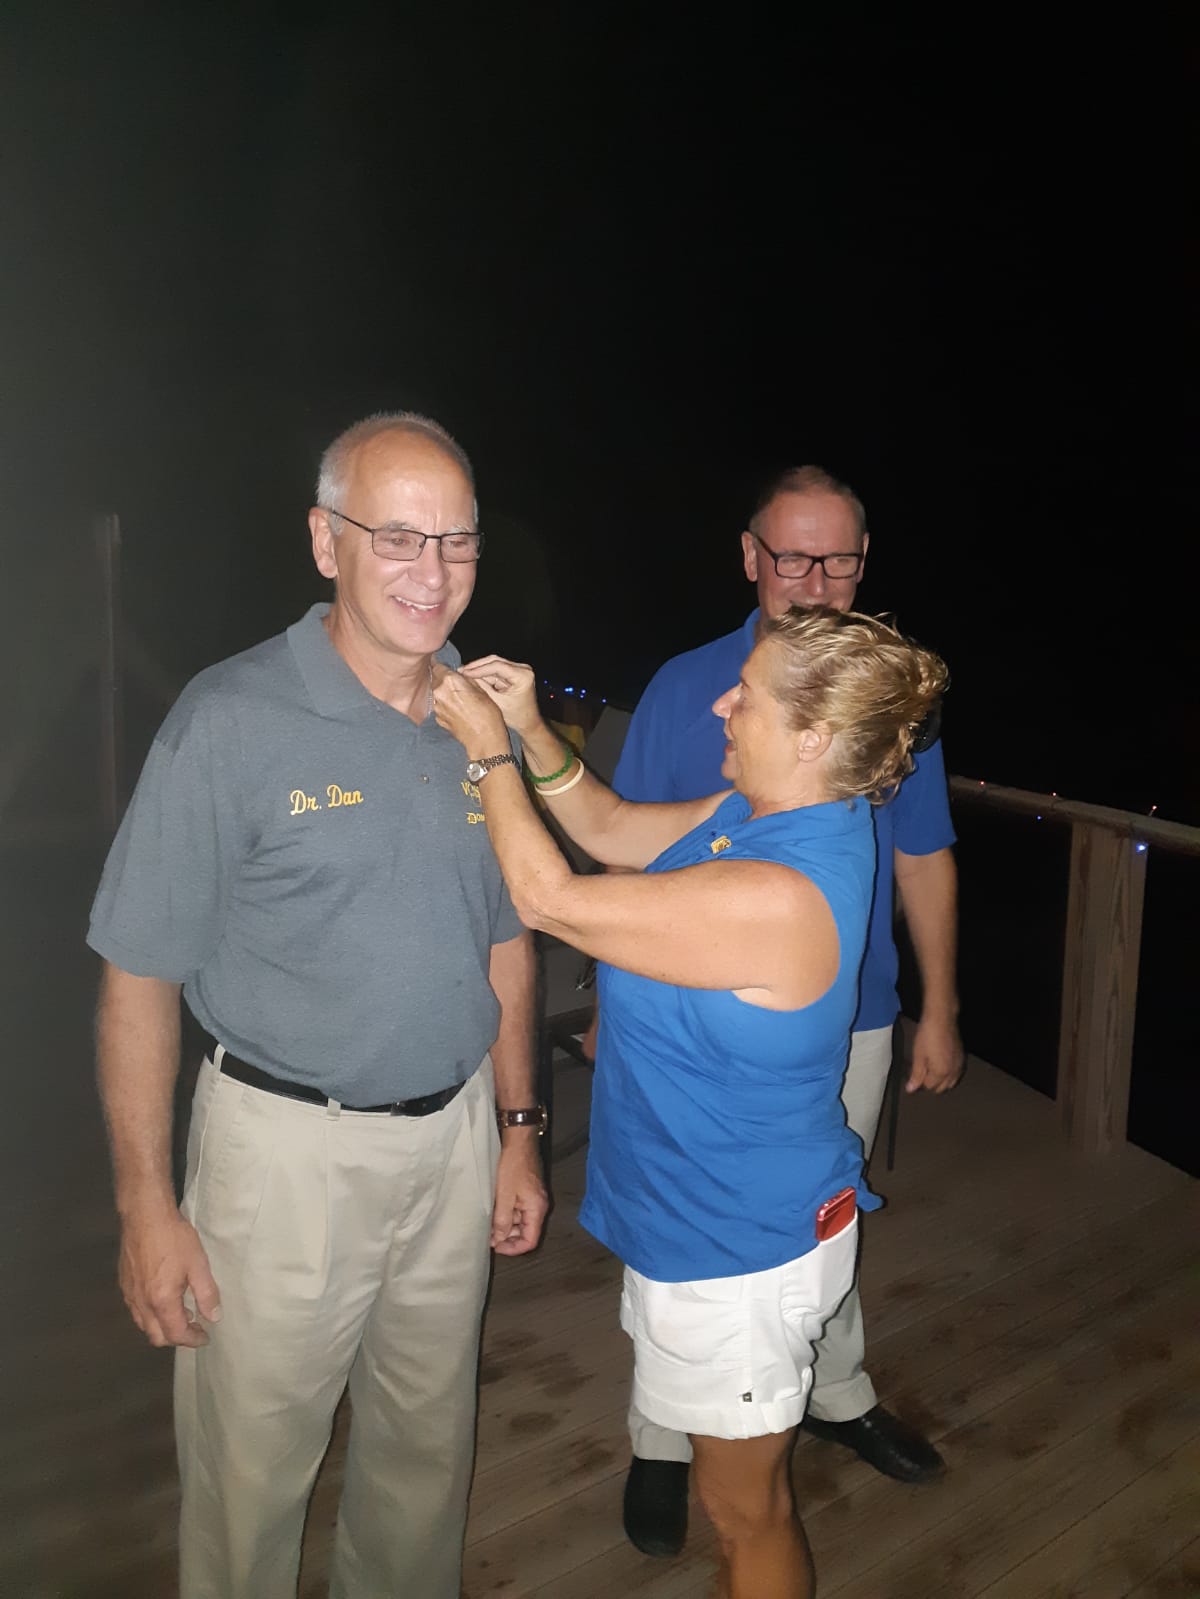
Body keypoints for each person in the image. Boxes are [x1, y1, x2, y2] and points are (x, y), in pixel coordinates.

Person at [87, 413, 549, 1599]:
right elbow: (138, 975)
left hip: (454, 1143)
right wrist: (145, 1205)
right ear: (324, 541)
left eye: (457, 540)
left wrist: (517, 1130)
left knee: (424, 1467)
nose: (433, 572)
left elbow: (508, 937)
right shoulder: (228, 719)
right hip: (281, 1158)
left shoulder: (481, 720)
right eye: (397, 537)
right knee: (248, 1480)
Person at [431, 607, 948, 1599]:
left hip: (738, 1251)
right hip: (707, 1221)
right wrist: (531, 727)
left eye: (746, 694)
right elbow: (609, 829)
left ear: (813, 737)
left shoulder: (783, 891)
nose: (722, 703)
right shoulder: (767, 811)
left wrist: (488, 754)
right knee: (734, 1503)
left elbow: (549, 898)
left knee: (747, 1515)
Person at [603, 465, 962, 1557]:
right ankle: (664, 1438)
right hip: (697, 1031)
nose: (815, 580)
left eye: (838, 558)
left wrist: (940, 1006)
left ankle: (835, 1393)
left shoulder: (880, 695)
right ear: (750, 556)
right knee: (678, 1228)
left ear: (864, 562)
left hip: (853, 1017)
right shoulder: (691, 687)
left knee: (822, 1220)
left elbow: (924, 854)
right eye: (794, 556)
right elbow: (624, 847)